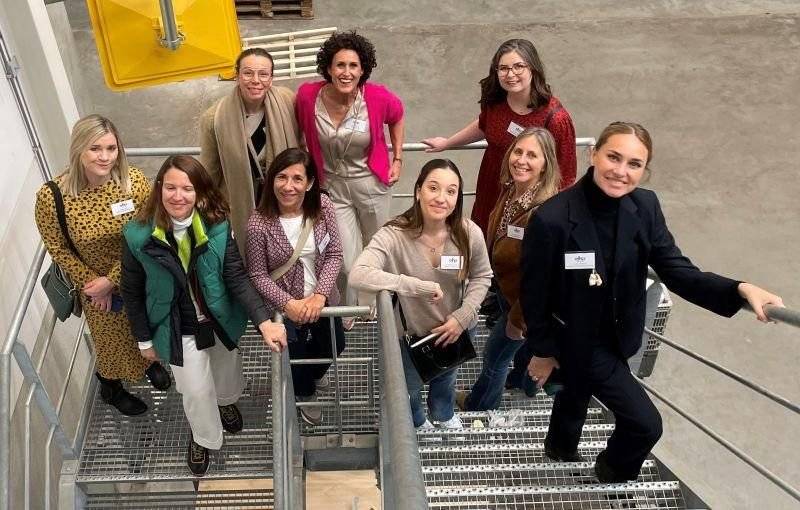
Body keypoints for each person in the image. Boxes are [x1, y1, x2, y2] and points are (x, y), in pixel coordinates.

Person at [520, 121, 784, 483]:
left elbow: (676, 271)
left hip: (621, 333)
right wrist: (543, 349)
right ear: (593, 154)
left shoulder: (645, 207)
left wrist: (739, 289)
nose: (620, 171)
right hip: (577, 338)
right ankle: (612, 473)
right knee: (645, 425)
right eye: (613, 157)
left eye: (634, 164)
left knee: (575, 390)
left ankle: (559, 448)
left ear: (645, 171)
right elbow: (533, 293)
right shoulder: (552, 219)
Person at [120, 155, 287, 476]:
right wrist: (143, 340)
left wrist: (263, 321)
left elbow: (236, 276)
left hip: (218, 320)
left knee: (226, 372)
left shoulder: (217, 226)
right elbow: (131, 290)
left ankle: (226, 402)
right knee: (195, 391)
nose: (178, 196)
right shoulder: (138, 236)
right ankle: (204, 436)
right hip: (176, 327)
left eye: (187, 188)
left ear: (200, 193)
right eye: (170, 187)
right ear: (159, 189)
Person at [34, 114, 170, 416]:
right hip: (93, 287)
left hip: (139, 274)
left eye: (112, 148)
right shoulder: (52, 197)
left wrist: (114, 278)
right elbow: (57, 247)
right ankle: (111, 387)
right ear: (79, 148)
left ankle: (149, 363)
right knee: (112, 342)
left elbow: (149, 232)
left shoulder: (132, 182)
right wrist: (96, 285)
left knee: (146, 325)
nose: (105, 157)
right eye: (96, 148)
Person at [349, 159, 492, 429]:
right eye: (433, 188)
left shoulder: (468, 232)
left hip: (455, 328)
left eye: (451, 191)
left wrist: (461, 318)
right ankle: (416, 421)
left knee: (446, 378)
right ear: (418, 191)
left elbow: (483, 276)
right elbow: (359, 273)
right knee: (409, 386)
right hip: (414, 333)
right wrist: (414, 285)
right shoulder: (395, 234)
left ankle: (443, 415)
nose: (441, 198)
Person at [295, 31, 405, 328]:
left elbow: (397, 116)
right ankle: (352, 306)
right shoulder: (308, 96)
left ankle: (375, 303)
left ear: (363, 70)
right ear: (328, 68)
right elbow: (295, 128)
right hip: (331, 188)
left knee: (377, 244)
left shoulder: (377, 96)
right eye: (340, 65)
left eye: (353, 66)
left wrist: (397, 157)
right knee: (343, 255)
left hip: (371, 183)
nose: (346, 72)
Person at [422, 38, 577, 236]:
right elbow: (483, 125)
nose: (510, 74)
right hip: (491, 188)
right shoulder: (496, 103)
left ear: (533, 68)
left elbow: (566, 174)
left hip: (529, 201)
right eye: (503, 68)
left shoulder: (555, 118)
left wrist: (553, 213)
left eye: (518, 66)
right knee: (484, 240)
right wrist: (447, 142)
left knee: (515, 250)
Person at [455, 127, 561, 411]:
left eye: (532, 155)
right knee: (526, 349)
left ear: (545, 164)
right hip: (507, 291)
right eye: (518, 152)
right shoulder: (513, 191)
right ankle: (525, 384)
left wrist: (517, 321)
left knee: (496, 355)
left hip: (525, 307)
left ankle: (480, 403)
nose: (522, 160)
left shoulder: (544, 213)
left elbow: (541, 281)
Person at [246, 148, 345, 426]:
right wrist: (289, 304)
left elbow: (335, 253)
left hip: (321, 299)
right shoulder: (258, 224)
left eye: (297, 179)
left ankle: (314, 373)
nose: (289, 186)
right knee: (294, 355)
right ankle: (305, 392)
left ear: (310, 182)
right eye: (282, 177)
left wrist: (320, 295)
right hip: (282, 307)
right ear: (271, 181)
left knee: (336, 343)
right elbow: (257, 274)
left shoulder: (323, 207)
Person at [199, 48, 300, 257]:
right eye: (248, 73)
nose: (255, 80)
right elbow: (209, 171)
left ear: (271, 78)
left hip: (281, 195)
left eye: (263, 74)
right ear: (237, 75)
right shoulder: (215, 119)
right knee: (249, 259)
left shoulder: (287, 102)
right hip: (240, 202)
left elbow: (300, 146)